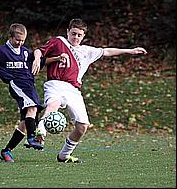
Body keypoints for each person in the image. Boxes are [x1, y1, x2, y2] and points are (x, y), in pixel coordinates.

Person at [34, 18, 147, 163]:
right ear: (68, 31)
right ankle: (40, 132)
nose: (75, 37)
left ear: (83, 36)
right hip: (56, 84)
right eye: (73, 33)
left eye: (79, 35)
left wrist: (130, 51)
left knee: (82, 126)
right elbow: (39, 50)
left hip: (74, 90)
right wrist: (37, 59)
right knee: (53, 105)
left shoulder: (86, 51)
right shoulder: (59, 41)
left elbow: (106, 51)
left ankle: (64, 155)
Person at [0, 23, 45, 162]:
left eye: (23, 40)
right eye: (17, 40)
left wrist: (56, 58)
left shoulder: (25, 52)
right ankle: (32, 138)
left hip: (30, 87)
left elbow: (41, 59)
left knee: (25, 122)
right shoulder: (1, 52)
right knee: (32, 108)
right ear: (10, 37)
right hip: (17, 84)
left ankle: (6, 151)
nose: (20, 43)